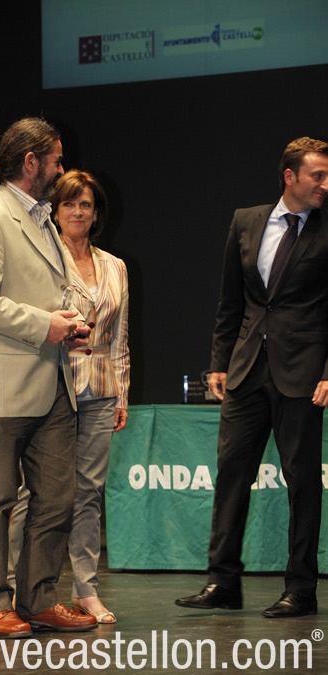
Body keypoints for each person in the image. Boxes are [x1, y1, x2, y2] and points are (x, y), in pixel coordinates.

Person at [0, 117, 97, 638]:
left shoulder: (42, 220)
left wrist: (67, 325)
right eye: (56, 160)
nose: (61, 169)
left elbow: (40, 292)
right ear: (31, 162)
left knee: (57, 497)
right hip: (2, 385)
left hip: (51, 381)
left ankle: (38, 598)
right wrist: (44, 325)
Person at [175, 136, 328, 618]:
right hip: (246, 370)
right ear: (290, 176)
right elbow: (231, 300)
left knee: (302, 481)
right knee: (232, 475)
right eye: (318, 175)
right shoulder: (246, 220)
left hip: (303, 373)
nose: (326, 184)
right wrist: (219, 361)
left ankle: (301, 589)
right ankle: (222, 582)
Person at [8, 169, 130, 624]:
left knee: (89, 492)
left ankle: (86, 589)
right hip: (52, 383)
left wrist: (121, 393)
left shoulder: (115, 266)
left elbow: (120, 337)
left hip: (100, 387)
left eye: (86, 204)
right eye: (69, 204)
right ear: (54, 212)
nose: (78, 212)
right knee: (37, 491)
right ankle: (18, 585)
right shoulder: (42, 258)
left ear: (96, 213)